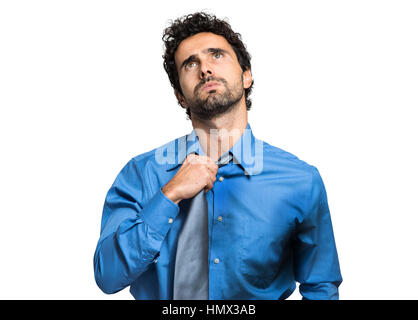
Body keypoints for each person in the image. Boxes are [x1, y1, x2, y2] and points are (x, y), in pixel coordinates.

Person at [93, 12, 342, 300]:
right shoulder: (141, 174)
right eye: (191, 63)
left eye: (217, 56)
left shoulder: (300, 180)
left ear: (246, 75)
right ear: (180, 96)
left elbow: (321, 287)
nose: (205, 69)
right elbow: (107, 276)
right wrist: (169, 195)